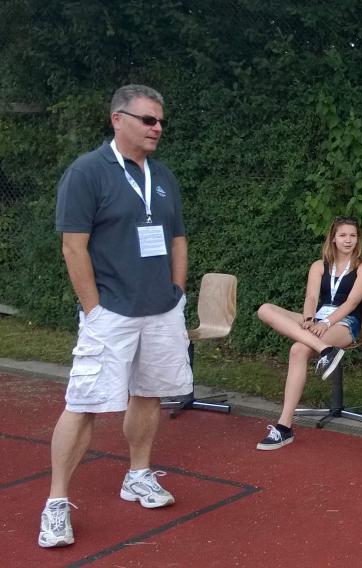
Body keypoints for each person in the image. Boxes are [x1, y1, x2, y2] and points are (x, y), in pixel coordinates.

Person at [42, 84, 191, 548]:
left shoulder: (162, 175)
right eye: (148, 120)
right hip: (111, 312)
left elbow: (177, 238)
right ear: (118, 119)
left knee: (148, 394)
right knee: (84, 403)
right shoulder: (87, 172)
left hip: (161, 310)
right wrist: (93, 308)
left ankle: (138, 475)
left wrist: (177, 292)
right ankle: (56, 503)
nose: (157, 128)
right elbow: (73, 246)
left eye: (160, 121)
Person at [254, 216, 362, 450]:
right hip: (318, 319)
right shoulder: (319, 266)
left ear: (358, 239)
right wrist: (309, 320)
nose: (348, 240)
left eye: (352, 235)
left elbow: (352, 303)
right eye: (343, 235)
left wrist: (326, 323)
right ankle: (325, 351)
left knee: (298, 349)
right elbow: (311, 298)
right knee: (265, 309)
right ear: (333, 238)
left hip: (345, 323)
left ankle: (284, 427)